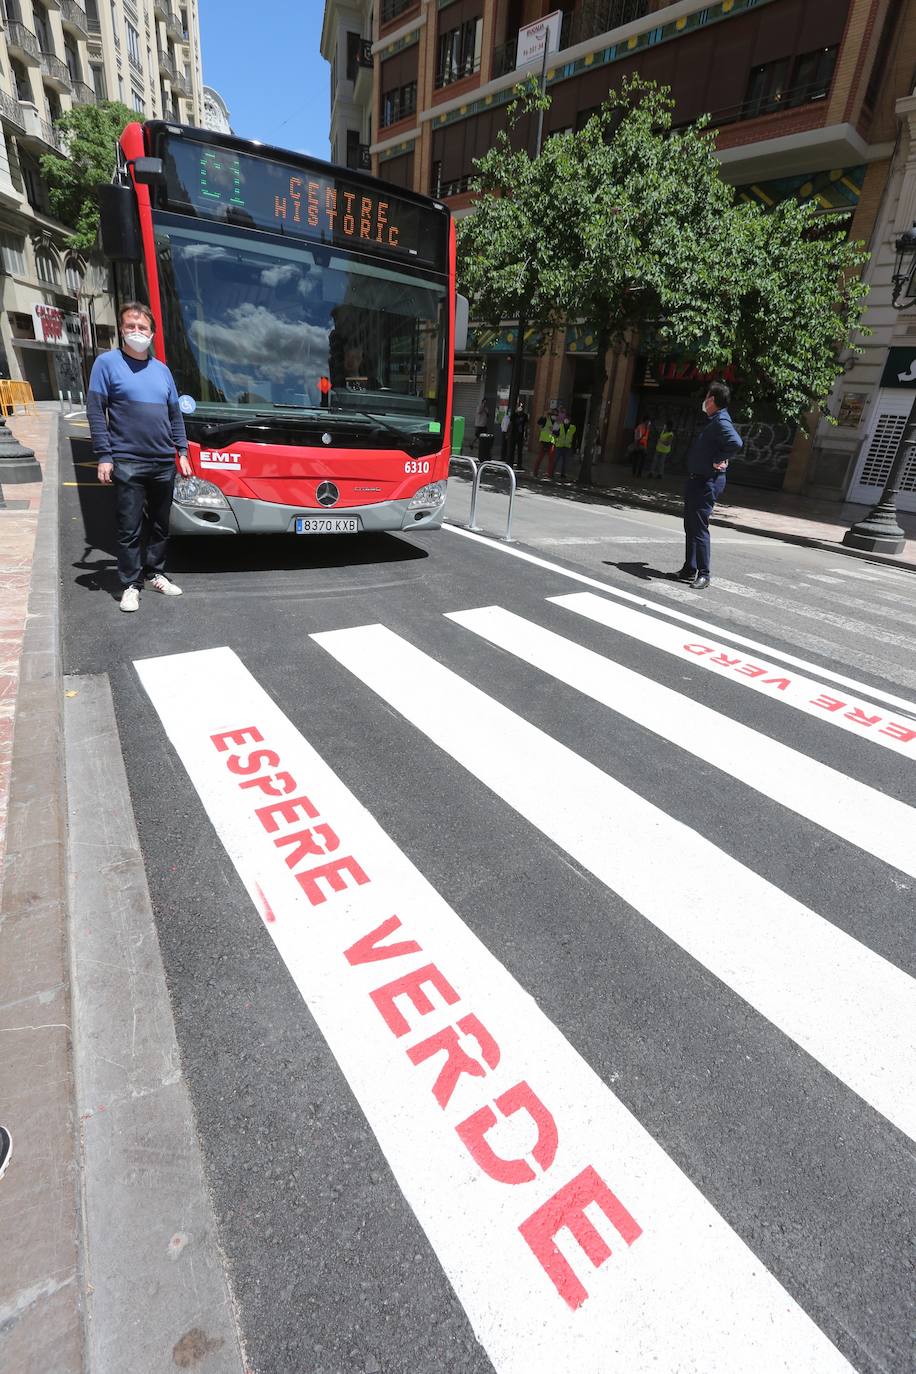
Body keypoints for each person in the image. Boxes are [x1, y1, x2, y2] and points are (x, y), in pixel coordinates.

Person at [88, 301, 192, 612]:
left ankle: (155, 573)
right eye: (130, 326)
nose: (136, 332)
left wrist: (182, 450)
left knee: (160, 524)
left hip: (162, 460)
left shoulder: (162, 371)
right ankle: (131, 584)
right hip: (127, 461)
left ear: (152, 334)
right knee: (129, 527)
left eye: (142, 328)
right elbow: (96, 412)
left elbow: (175, 415)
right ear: (122, 330)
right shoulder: (107, 364)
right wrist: (104, 456)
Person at [671, 382, 743, 591]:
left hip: (707, 481)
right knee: (690, 526)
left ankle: (704, 573)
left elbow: (736, 443)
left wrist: (718, 459)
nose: (704, 401)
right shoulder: (715, 421)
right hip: (698, 480)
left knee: (699, 527)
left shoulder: (721, 421)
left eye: (707, 398)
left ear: (712, 400)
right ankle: (689, 568)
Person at [550, 409, 577, 481]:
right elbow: (557, 433)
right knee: (556, 460)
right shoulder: (560, 426)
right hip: (559, 446)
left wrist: (574, 447)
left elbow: (574, 437)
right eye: (565, 419)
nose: (566, 420)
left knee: (565, 462)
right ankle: (551, 473)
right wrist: (553, 433)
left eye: (568, 419)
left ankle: (563, 474)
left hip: (567, 447)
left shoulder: (572, 428)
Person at [533, 408, 559, 478]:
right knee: (540, 458)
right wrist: (544, 415)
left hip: (551, 443)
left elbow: (558, 433)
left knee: (551, 460)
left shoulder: (557, 424)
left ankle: (549, 474)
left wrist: (553, 432)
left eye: (556, 415)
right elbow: (539, 422)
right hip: (544, 442)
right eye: (553, 414)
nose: (555, 416)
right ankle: (535, 472)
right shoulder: (546, 420)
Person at [508, 400, 528, 469]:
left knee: (520, 451)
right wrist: (508, 433)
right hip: (513, 434)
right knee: (512, 449)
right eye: (519, 406)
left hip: (520, 435)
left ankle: (519, 465)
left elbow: (525, 426)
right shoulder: (514, 415)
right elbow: (510, 424)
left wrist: (525, 435)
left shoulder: (525, 416)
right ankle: (510, 464)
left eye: (521, 407)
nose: (520, 408)